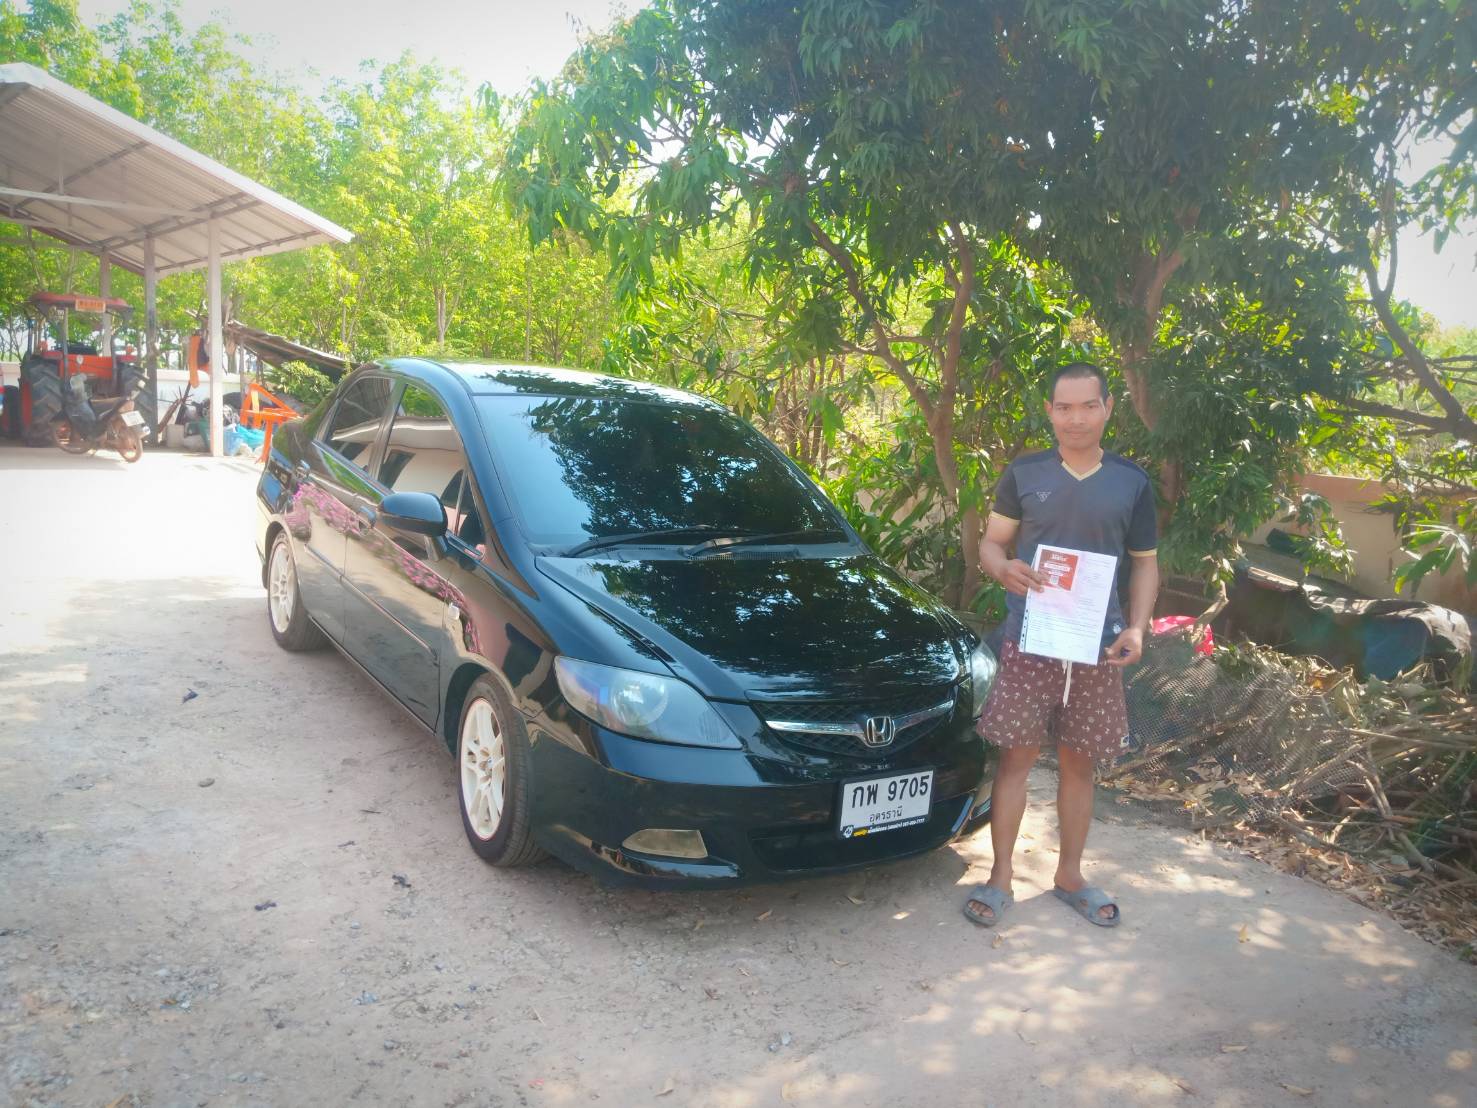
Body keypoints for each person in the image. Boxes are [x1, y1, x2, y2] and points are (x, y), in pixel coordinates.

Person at [963, 362, 1159, 929]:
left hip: (1098, 648)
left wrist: (1137, 627)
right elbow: (992, 544)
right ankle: (1001, 877)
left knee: (1080, 764)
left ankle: (1070, 875)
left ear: (1107, 409)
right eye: (1064, 407)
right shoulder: (1025, 473)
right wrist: (1004, 569)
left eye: (1088, 406)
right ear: (1049, 412)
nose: (1076, 418)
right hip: (1031, 640)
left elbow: (1146, 564)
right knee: (1015, 761)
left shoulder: (1131, 482)